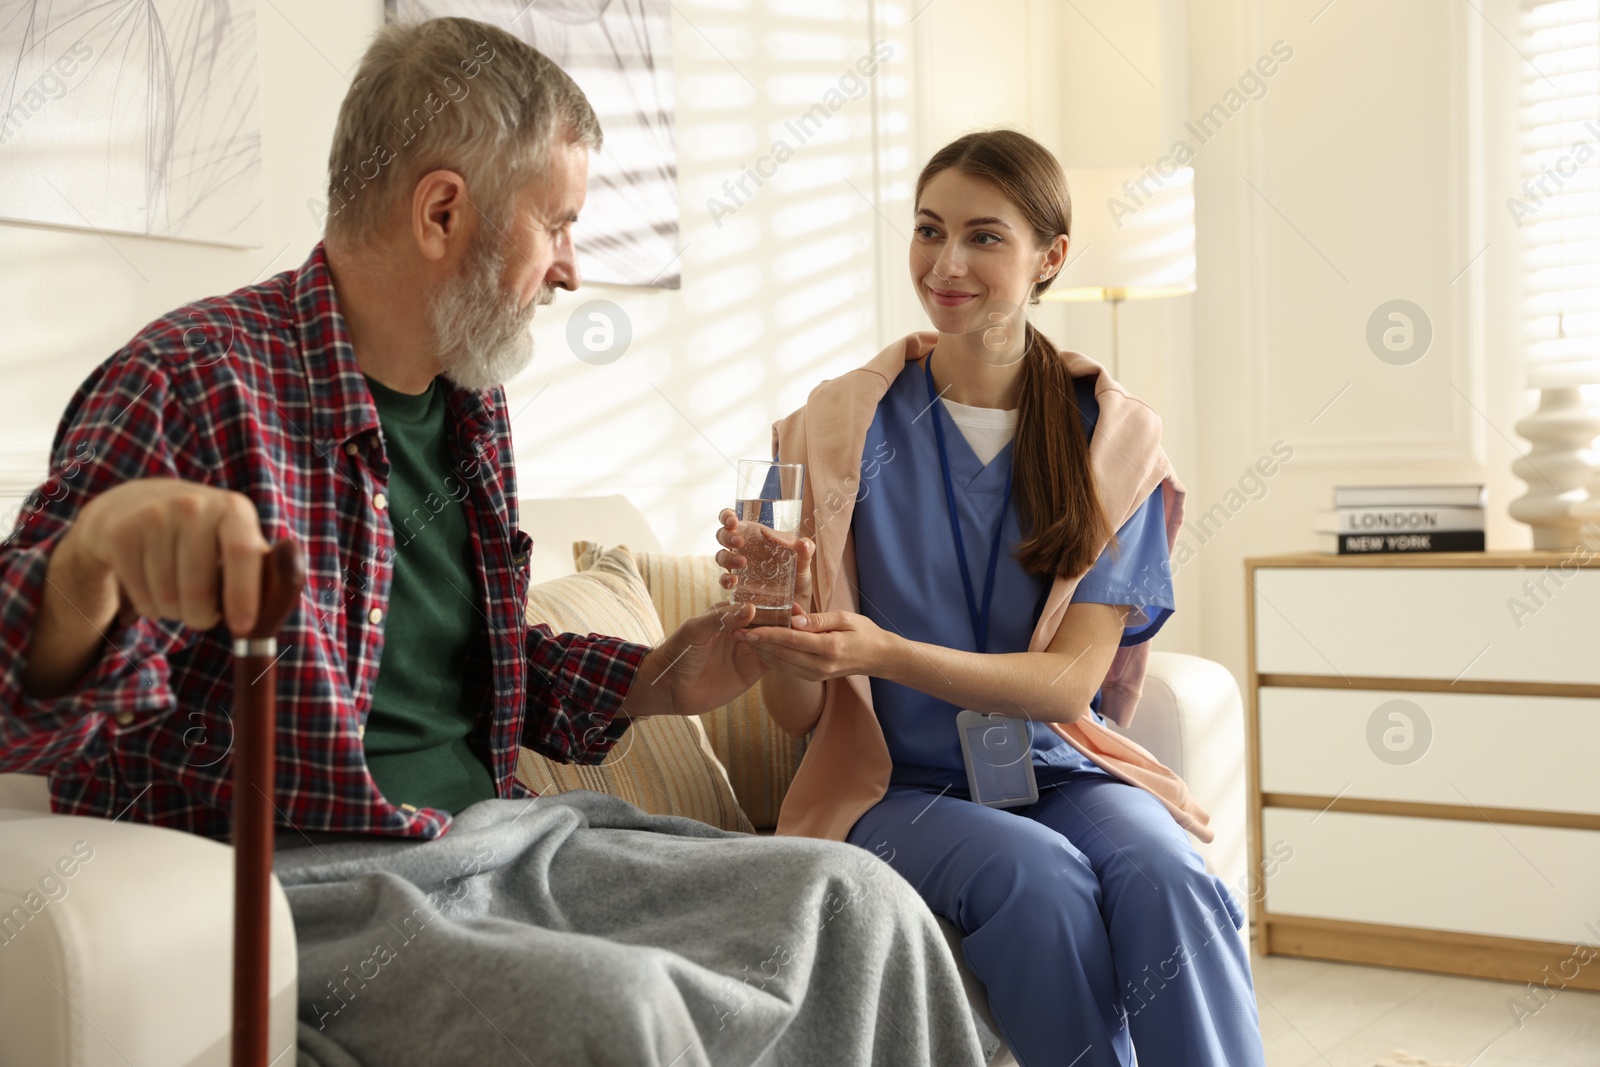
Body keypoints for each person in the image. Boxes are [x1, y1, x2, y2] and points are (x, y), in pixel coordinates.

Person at [0, 17, 986, 1067]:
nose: (570, 268)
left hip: (499, 841)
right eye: (557, 223)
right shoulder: (189, 379)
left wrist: (674, 672)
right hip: (311, 884)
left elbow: (473, 665)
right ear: (441, 213)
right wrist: (90, 564)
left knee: (858, 902)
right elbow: (18, 700)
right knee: (609, 1009)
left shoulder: (471, 403)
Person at [716, 129, 1267, 1067]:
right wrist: (774, 627)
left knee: (1168, 870)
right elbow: (797, 711)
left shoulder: (1114, 440)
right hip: (892, 788)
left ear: (1051, 257)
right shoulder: (821, 427)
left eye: (984, 236)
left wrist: (880, 649)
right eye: (930, 231)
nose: (948, 262)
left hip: (1056, 769)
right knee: (1036, 877)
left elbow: (1065, 687)